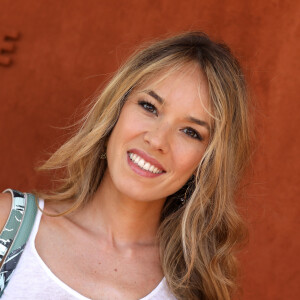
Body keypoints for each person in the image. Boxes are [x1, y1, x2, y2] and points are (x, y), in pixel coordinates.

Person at [0, 32, 251, 300]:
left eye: (190, 132)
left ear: (207, 161)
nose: (156, 140)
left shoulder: (192, 290)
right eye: (149, 106)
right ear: (116, 108)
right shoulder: (9, 226)